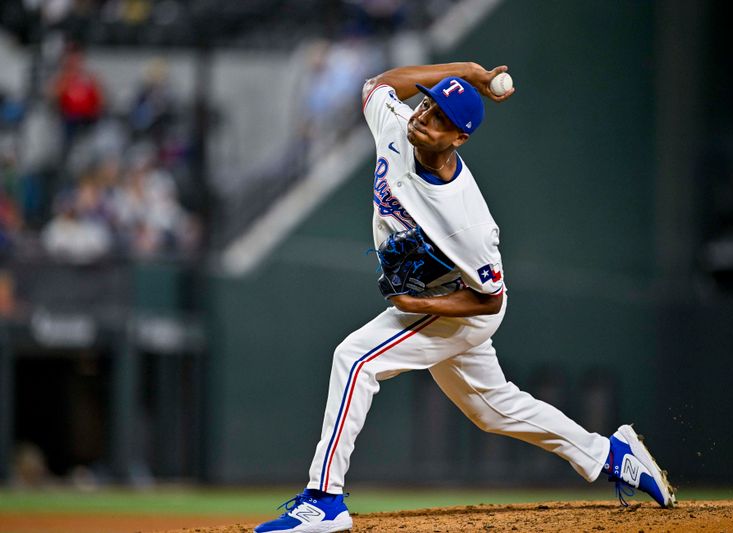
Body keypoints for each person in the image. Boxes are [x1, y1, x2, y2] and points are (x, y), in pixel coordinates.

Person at [254, 62, 676, 533]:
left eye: (438, 116)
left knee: (354, 360)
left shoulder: (467, 222)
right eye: (427, 102)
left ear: (459, 139)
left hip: (461, 305)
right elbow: (376, 86)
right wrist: (467, 71)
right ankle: (612, 455)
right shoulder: (397, 125)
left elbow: (490, 301)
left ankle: (324, 500)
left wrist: (422, 307)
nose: (423, 115)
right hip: (436, 298)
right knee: (493, 409)